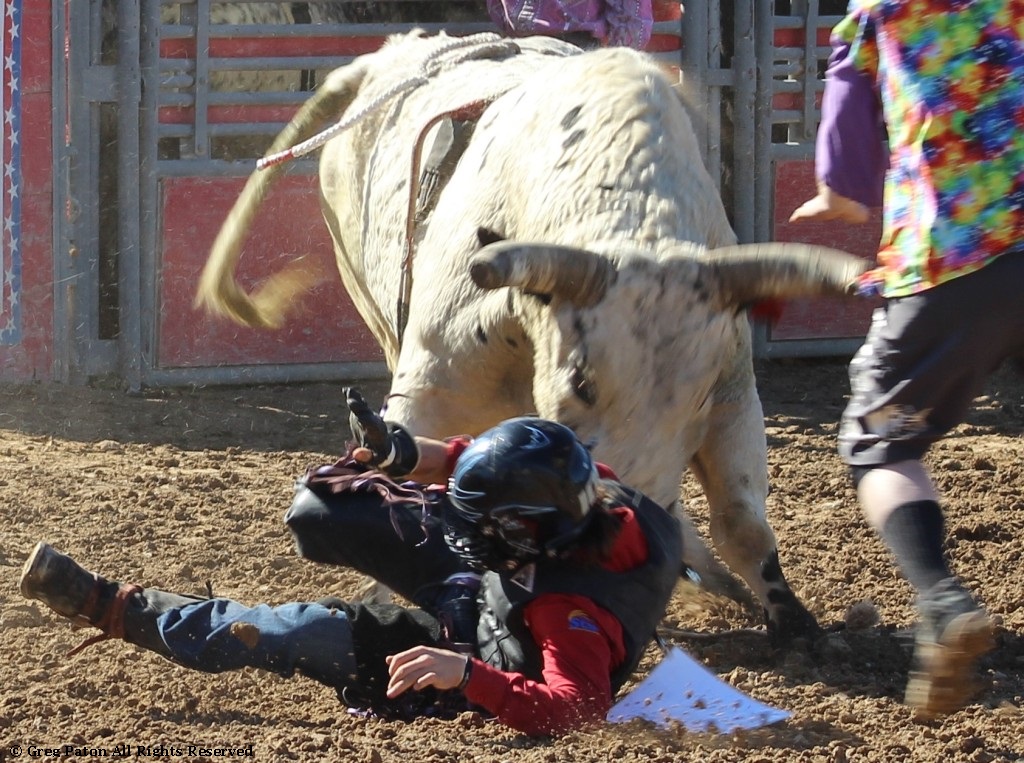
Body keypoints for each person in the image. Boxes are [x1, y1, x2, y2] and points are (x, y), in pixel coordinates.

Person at [20, 389, 682, 736]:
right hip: (494, 588)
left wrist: (465, 676)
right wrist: (395, 449)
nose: (456, 514)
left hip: (483, 654)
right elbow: (462, 458)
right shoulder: (576, 483)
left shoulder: (570, 613)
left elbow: (578, 709)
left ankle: (113, 606)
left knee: (287, 630)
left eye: (475, 516)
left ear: (519, 531)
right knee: (323, 507)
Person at [789, 1, 1024, 720]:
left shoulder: (883, 13)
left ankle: (944, 600)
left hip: (957, 258)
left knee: (878, 442)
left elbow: (845, 122)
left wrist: (837, 189)